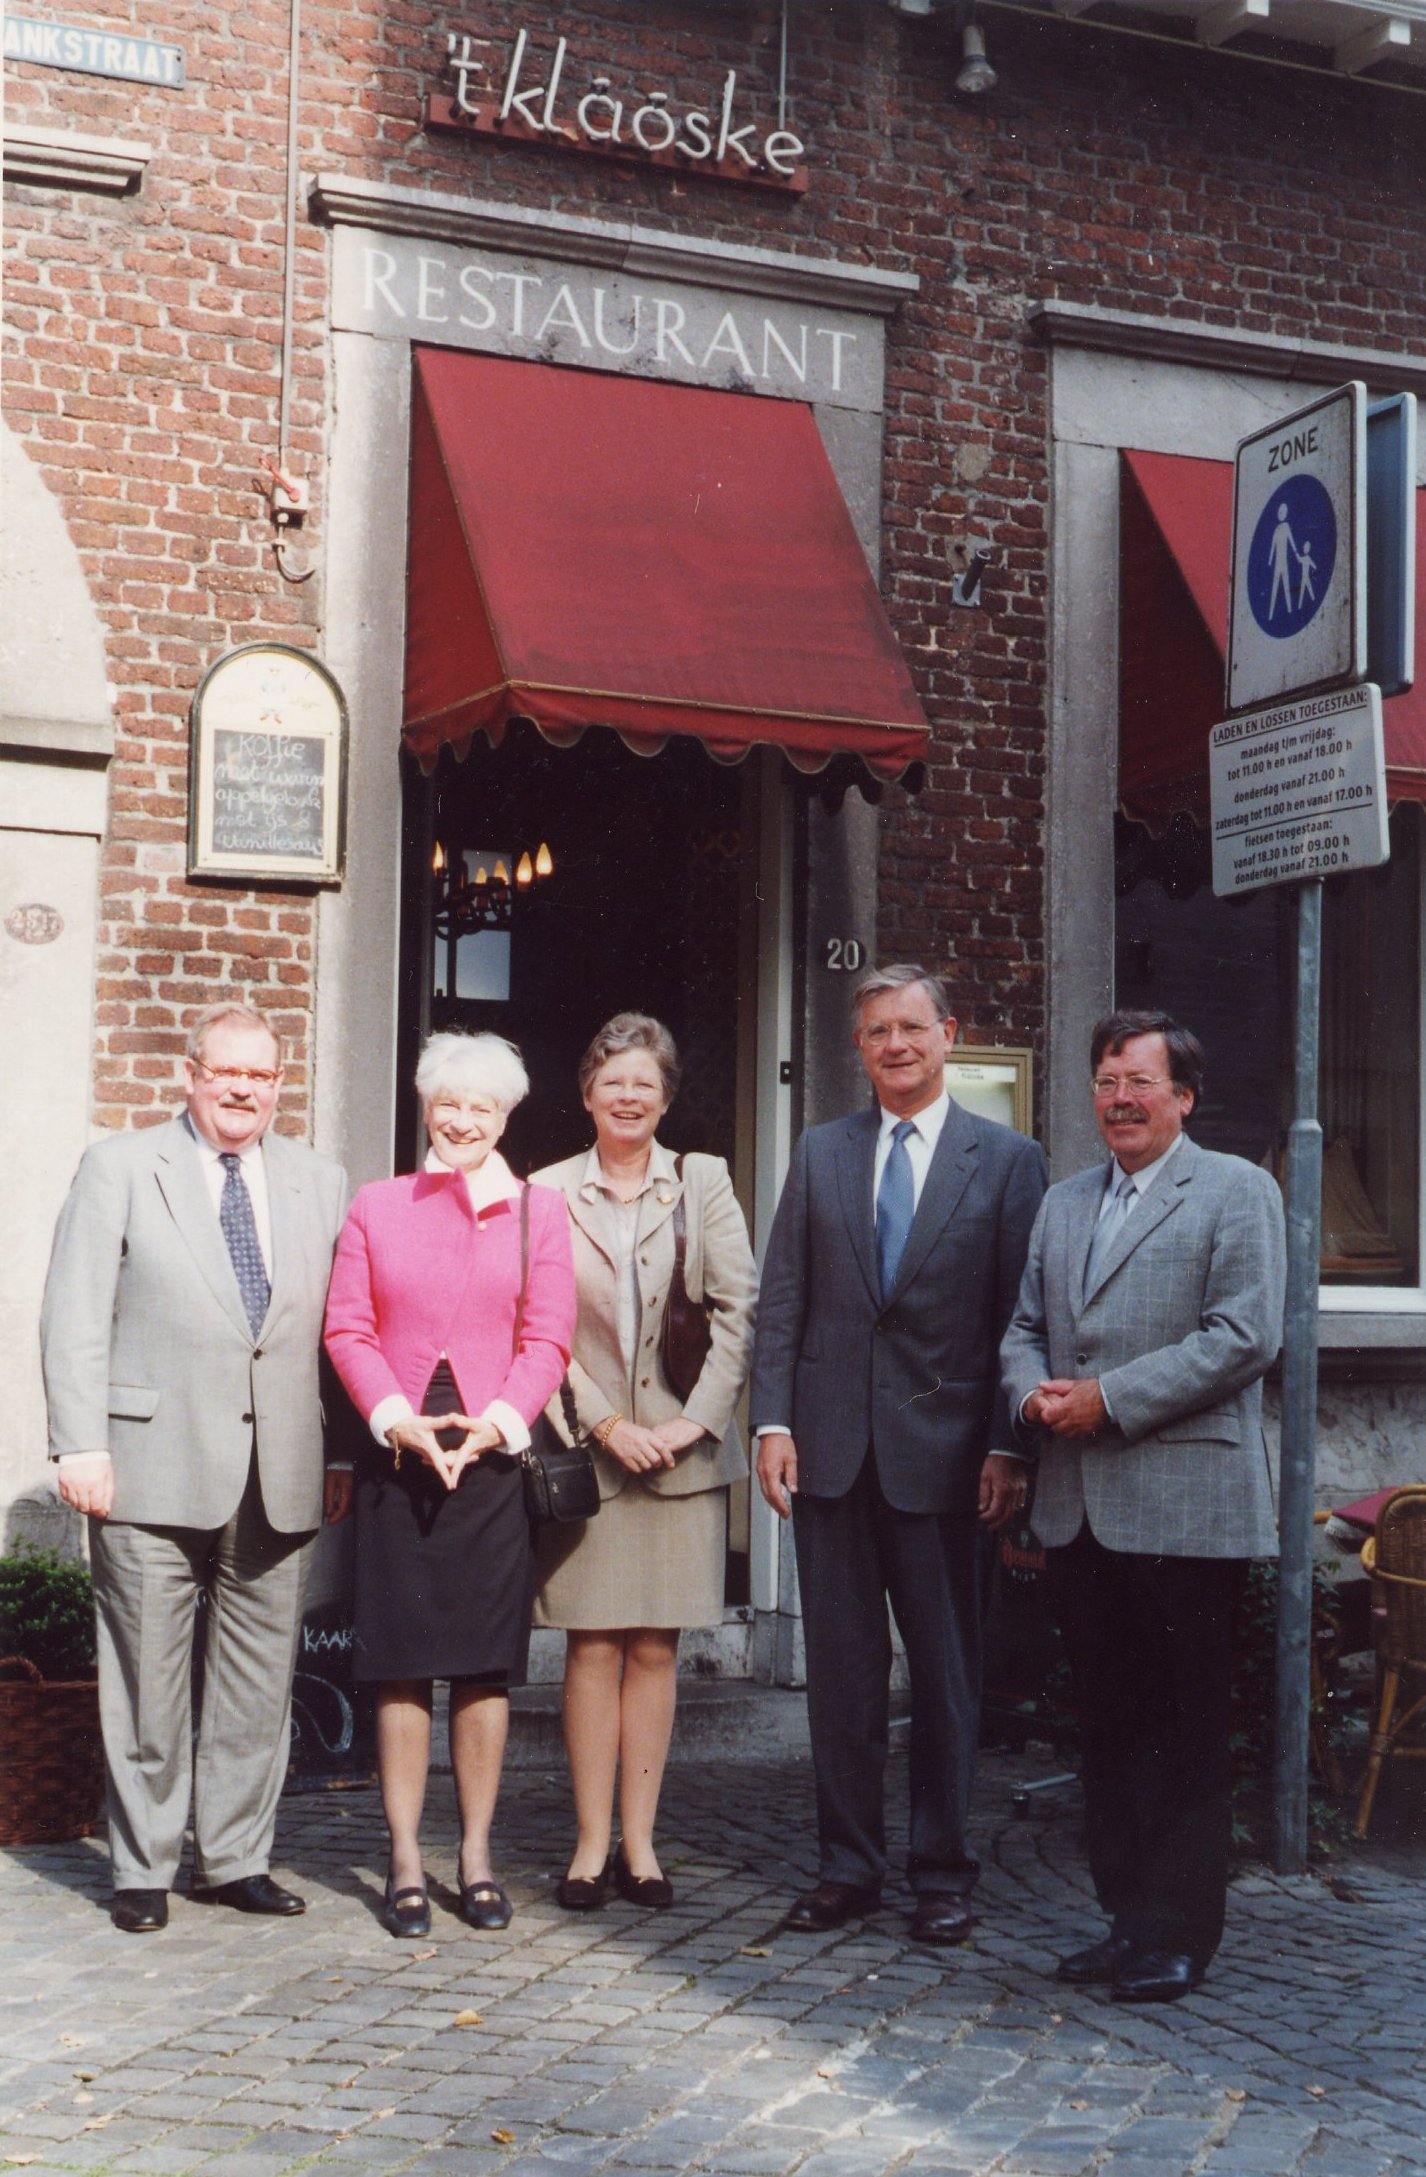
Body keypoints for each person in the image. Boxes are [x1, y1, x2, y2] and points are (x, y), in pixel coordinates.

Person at [750, 964, 1047, 1945]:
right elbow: (783, 1295)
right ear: (858, 1046)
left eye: (911, 1027)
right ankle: (848, 1866)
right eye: (876, 1031)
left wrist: (1010, 1442)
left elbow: (1021, 1313)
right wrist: (773, 1422)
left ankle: (940, 1871)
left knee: (946, 1673)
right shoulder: (823, 1149)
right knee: (839, 1675)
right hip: (831, 1455)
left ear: (947, 1033)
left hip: (949, 1457)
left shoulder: (1003, 1161)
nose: (895, 1044)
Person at [40, 1001, 352, 1934]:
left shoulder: (318, 1179)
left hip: (281, 1466)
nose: (243, 1089)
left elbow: (337, 1332)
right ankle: (142, 1863)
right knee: (145, 1674)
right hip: (147, 1461)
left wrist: (337, 1449)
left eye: (260, 1075)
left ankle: (234, 1858)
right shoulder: (122, 1165)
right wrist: (80, 1442)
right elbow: (74, 1312)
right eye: (227, 1071)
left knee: (259, 1680)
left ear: (280, 1082)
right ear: (192, 1072)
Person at [1001, 1008, 1285, 2004]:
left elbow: (1244, 1334)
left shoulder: (1237, 1190)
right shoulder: (1065, 1201)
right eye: (1106, 1080)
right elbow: (1025, 1324)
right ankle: (1125, 1920)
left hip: (1183, 1506)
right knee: (1110, 1729)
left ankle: (1178, 1934)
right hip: (1079, 1509)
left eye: (1140, 1082)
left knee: (1183, 1729)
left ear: (1183, 1097)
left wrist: (1107, 1399)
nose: (1119, 1098)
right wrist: (1030, 1392)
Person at [324, 1031, 574, 1938]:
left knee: (481, 1669)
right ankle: (401, 1860)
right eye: (449, 1103)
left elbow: (548, 1337)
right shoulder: (376, 1205)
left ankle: (473, 1855)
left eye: (483, 1107)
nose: (464, 1120)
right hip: (400, 1457)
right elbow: (347, 1327)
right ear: (427, 1107)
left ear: (506, 1117)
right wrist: (394, 1416)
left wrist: (499, 1424)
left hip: (489, 1460)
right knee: (397, 1667)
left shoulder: (539, 1213)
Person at [532, 1014, 757, 1911]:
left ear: (666, 1098)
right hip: (592, 1452)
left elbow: (740, 1310)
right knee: (591, 1647)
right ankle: (588, 1846)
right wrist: (603, 1423)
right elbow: (538, 1328)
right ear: (587, 1093)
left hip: (681, 1453)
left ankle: (642, 1844)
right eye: (612, 1081)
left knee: (656, 1647)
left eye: (645, 1083)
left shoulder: (701, 1183)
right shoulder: (543, 1192)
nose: (629, 1097)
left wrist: (694, 1422)